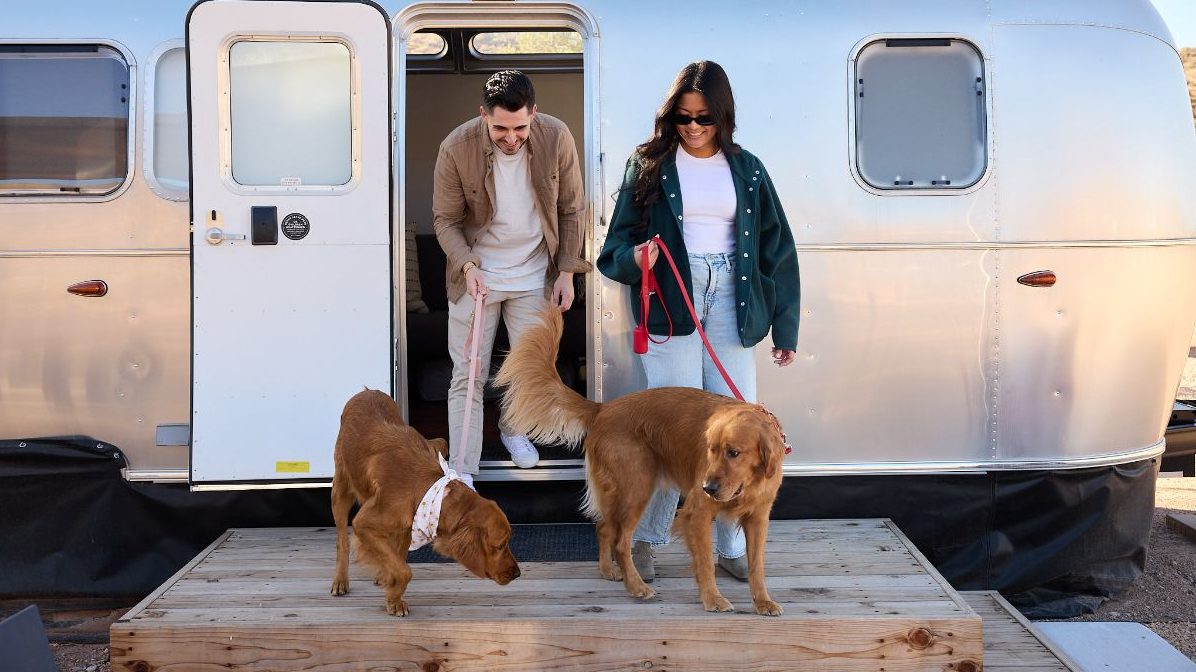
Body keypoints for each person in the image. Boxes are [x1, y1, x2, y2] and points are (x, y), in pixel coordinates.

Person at [596, 60, 799, 582]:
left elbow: (779, 251)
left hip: (735, 296)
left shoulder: (748, 168)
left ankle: (731, 545)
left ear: (723, 116)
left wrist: (785, 328)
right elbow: (612, 250)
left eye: (704, 118)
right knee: (674, 432)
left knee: (738, 431)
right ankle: (646, 539)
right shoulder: (647, 166)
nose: (692, 127)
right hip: (672, 301)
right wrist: (636, 258)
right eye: (682, 118)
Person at [433, 70, 589, 488]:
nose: (511, 137)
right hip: (476, 272)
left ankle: (512, 428)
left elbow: (573, 209)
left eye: (520, 127)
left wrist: (566, 272)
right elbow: (445, 220)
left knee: (530, 367)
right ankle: (462, 470)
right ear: (483, 115)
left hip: (534, 269)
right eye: (500, 127)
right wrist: (467, 265)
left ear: (534, 114)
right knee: (469, 371)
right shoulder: (456, 146)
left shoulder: (556, 136)